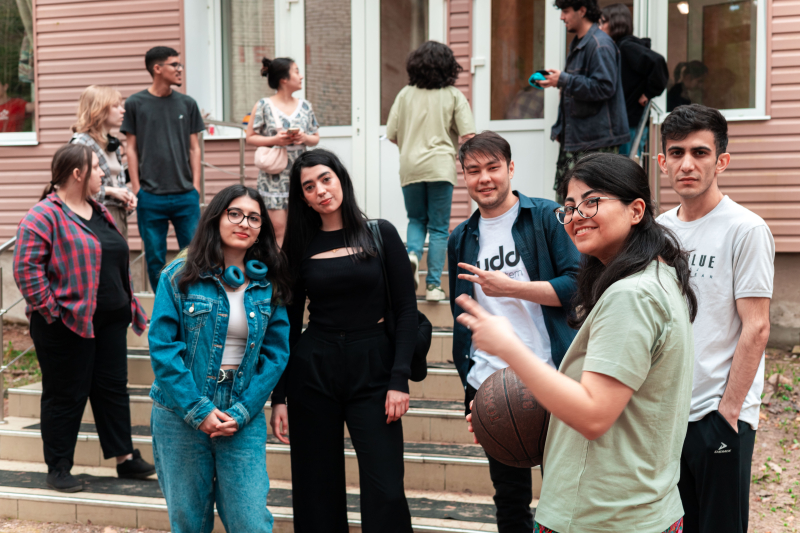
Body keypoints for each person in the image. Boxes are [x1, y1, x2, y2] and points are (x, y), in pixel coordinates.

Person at [460, 152, 698, 532]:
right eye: (569, 207)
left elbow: (593, 415)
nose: (576, 216)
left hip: (599, 517)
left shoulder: (631, 296)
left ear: (636, 210)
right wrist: (502, 414)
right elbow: (618, 406)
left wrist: (509, 348)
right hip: (636, 508)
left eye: (592, 201)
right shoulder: (656, 276)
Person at [270, 149, 416, 533]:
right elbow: (288, 323)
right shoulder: (299, 246)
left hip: (375, 369)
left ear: (340, 180)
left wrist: (399, 379)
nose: (320, 190)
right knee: (316, 490)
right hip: (314, 371)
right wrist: (279, 396)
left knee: (386, 489)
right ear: (303, 198)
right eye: (309, 187)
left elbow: (406, 309)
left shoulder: (381, 233)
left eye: (325, 179)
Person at [448, 131, 580, 532]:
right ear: (464, 176)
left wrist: (511, 288)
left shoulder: (546, 217)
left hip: (551, 376)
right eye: (473, 170)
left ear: (510, 168)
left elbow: (577, 284)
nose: (484, 178)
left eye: (493, 167)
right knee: (509, 498)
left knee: (568, 494)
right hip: (491, 386)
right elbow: (464, 311)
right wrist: (470, 382)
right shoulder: (460, 238)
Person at [657, 104, 774, 533]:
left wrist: (728, 413)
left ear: (721, 161)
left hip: (718, 415)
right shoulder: (658, 231)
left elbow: (756, 327)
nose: (687, 164)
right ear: (662, 161)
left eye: (700, 152)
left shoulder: (745, 229)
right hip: (667, 416)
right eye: (677, 152)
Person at [147, 184, 291, 533]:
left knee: (251, 522)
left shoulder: (268, 284)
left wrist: (243, 411)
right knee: (190, 524)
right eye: (235, 214)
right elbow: (163, 348)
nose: (244, 223)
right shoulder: (177, 275)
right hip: (179, 413)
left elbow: (276, 354)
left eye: (254, 218)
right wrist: (198, 410)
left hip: (241, 412)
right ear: (216, 218)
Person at [13, 144, 153, 493]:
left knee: (112, 389)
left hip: (110, 320)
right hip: (66, 323)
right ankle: (59, 467)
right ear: (78, 174)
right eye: (97, 167)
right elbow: (26, 268)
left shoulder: (99, 210)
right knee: (65, 395)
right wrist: (52, 312)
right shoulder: (44, 215)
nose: (103, 173)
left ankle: (124, 458)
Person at [386, 40, 476, 300]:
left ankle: (413, 254)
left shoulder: (404, 94)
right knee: (438, 228)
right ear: (448, 67)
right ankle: (434, 286)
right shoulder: (453, 95)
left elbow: (391, 134)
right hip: (440, 167)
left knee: (416, 220)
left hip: (411, 166)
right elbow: (468, 135)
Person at [121, 46, 205, 290]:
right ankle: (164, 306)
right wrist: (137, 189)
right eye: (174, 64)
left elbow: (195, 148)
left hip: (185, 195)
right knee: (155, 258)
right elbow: (131, 149)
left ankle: (193, 301)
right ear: (157, 68)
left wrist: (195, 187)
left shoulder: (188, 104)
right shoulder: (135, 103)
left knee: (194, 255)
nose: (180, 69)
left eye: (180, 64)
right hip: (150, 196)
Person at [538, 0, 630, 198]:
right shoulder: (581, 43)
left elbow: (604, 87)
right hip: (580, 140)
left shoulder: (599, 44)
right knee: (569, 201)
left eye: (565, 11)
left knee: (593, 201)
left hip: (596, 143)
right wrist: (562, 128)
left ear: (582, 10)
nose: (562, 17)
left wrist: (564, 80)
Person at [246, 57, 320, 246]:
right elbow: (250, 137)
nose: (301, 76)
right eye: (296, 71)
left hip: (301, 174)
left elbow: (315, 137)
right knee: (278, 231)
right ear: (283, 79)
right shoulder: (263, 105)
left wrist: (304, 137)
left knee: (304, 228)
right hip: (274, 177)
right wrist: (275, 140)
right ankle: (280, 266)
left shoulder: (305, 106)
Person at [599, 4, 668, 157]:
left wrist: (648, 93)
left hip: (630, 122)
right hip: (623, 122)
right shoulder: (617, 47)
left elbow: (658, 62)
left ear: (615, 23)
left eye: (603, 22)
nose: (600, 27)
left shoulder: (626, 47)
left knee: (628, 166)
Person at [71, 85, 136, 237]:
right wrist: (111, 191)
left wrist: (128, 196)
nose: (122, 110)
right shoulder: (81, 144)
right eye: (116, 106)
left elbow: (116, 182)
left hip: (117, 216)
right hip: (95, 218)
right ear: (99, 110)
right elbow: (76, 189)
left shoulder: (112, 143)